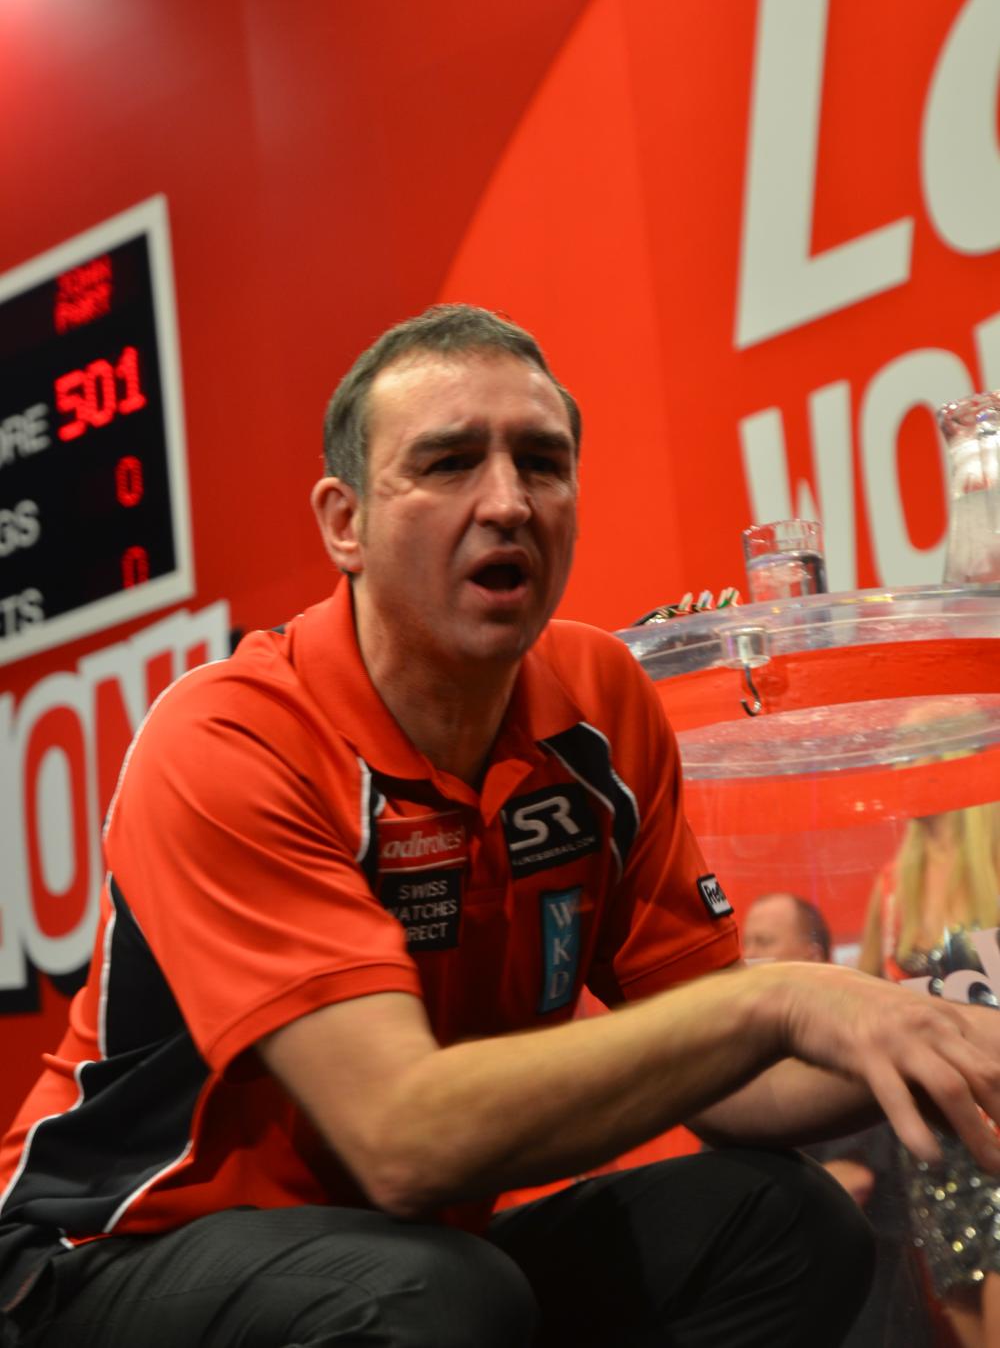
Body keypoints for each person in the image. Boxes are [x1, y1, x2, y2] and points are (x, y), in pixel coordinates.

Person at [2, 304, 1000, 1348]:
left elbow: (736, 1082)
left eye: (542, 462)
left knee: (788, 1224)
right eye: (447, 463)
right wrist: (778, 1000)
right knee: (438, 1296)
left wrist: (943, 1038)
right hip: (102, 1262)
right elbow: (402, 1138)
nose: (508, 501)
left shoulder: (601, 703)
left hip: (408, 1253)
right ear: (344, 523)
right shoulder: (231, 737)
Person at [743, 892, 933, 1348]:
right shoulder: (745, 1069)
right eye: (746, 942)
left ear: (813, 955)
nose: (748, 956)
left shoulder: (853, 1049)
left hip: (860, 1308)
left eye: (764, 942)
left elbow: (852, 1180)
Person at [859, 801, 1000, 1348]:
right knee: (962, 1316)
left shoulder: (994, 857)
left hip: (994, 1121)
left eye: (920, 758)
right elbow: (861, 1008)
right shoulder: (894, 887)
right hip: (935, 1143)